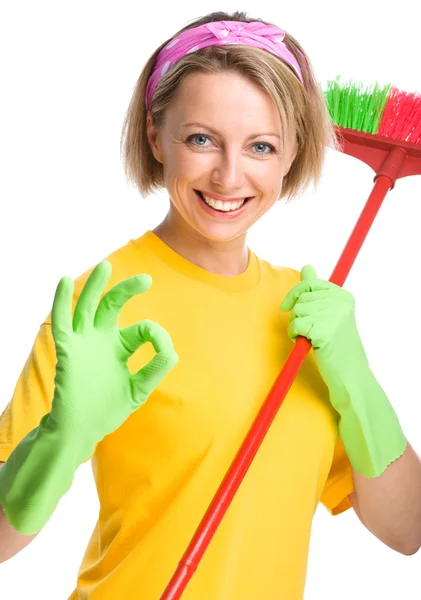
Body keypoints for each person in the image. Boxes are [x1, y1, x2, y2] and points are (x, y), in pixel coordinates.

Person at [0, 10, 420, 600]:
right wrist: (59, 438)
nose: (228, 175)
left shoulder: (304, 315)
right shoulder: (100, 307)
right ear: (155, 136)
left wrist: (357, 379)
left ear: (292, 152)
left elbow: (406, 532)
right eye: (201, 139)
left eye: (261, 146)